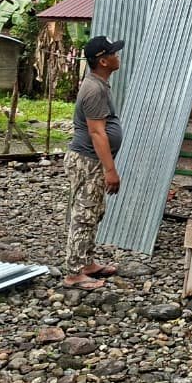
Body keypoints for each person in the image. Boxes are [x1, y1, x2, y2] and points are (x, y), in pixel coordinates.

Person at [63, 35, 125, 290]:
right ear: (103, 61)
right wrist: (110, 170)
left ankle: (87, 263)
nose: (117, 56)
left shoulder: (100, 84)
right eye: (113, 53)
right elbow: (97, 133)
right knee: (84, 214)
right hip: (87, 161)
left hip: (92, 161)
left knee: (95, 211)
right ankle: (74, 273)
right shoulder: (94, 89)